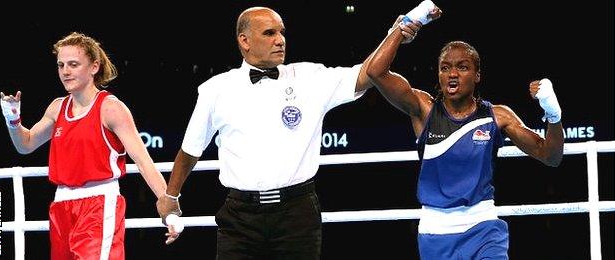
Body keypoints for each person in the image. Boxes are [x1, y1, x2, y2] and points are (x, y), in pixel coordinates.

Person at [156, 6, 375, 259]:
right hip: (239, 217)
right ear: (244, 41)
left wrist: (397, 31)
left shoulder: (308, 78)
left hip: (297, 213)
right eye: (269, 33)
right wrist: (171, 196)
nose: (280, 40)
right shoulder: (215, 90)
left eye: (281, 32)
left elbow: (366, 74)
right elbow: (190, 150)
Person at [366, 12, 565, 260]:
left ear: (477, 75)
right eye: (445, 67)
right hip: (435, 232)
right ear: (438, 74)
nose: (452, 74)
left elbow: (550, 156)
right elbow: (375, 71)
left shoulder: (497, 116)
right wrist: (405, 25)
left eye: (462, 67)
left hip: (483, 227)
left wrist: (553, 113)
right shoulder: (423, 109)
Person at [0, 32, 169, 259]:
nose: (65, 71)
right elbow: (26, 145)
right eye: (61, 65)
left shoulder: (110, 108)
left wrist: (169, 207)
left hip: (98, 204)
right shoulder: (57, 108)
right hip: (61, 206)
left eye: (73, 64)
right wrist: (13, 120)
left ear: (94, 67)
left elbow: (143, 161)